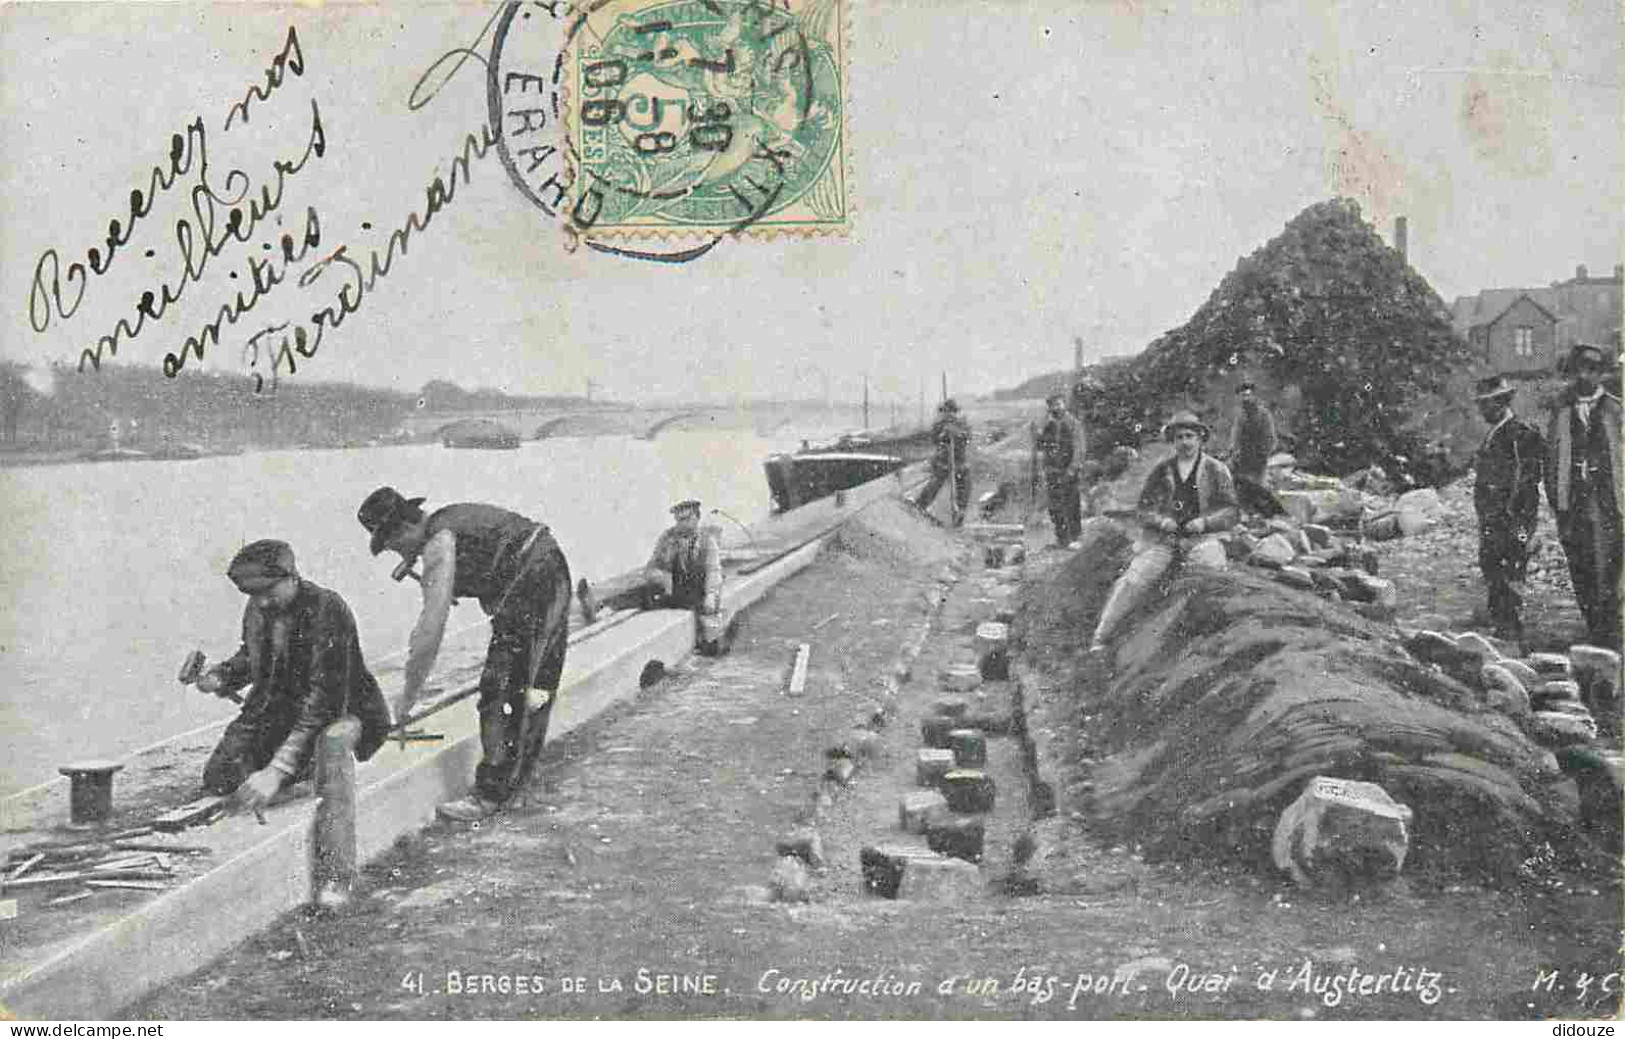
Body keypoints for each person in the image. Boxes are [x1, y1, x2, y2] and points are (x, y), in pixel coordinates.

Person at [357, 487, 573, 821]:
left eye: (394, 545)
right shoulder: (450, 522)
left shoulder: (438, 544)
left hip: (531, 583)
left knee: (500, 689)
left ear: (403, 530)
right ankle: (517, 787)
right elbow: (495, 571)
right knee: (536, 689)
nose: (399, 553)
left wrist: (409, 695)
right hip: (553, 567)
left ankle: (491, 795)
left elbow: (430, 629)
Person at [198, 540, 391, 811]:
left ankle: (306, 775)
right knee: (220, 777)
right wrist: (222, 676)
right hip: (281, 710)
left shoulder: (327, 609)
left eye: (268, 591)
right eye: (252, 594)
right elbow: (252, 657)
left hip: (339, 709)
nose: (262, 601)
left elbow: (324, 700)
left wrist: (277, 770)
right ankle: (289, 772)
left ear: (292, 577)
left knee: (300, 772)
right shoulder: (259, 607)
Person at [1088, 411, 1238, 654]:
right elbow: (1144, 510)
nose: (1185, 442)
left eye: (1190, 436)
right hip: (1165, 540)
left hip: (1202, 538)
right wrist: (1161, 521)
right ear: (1173, 441)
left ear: (1200, 438)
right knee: (1135, 579)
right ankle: (1101, 636)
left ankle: (1213, 642)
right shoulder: (1162, 470)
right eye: (1179, 437)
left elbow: (1231, 511)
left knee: (1213, 576)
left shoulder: (1216, 470)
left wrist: (1205, 523)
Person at [1544, 344, 1622, 651]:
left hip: (1607, 503)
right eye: (1581, 369)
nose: (1586, 376)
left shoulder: (1615, 409)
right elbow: (1552, 459)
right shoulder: (1562, 409)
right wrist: (1556, 499)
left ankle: (1609, 632)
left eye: (1592, 370)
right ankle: (1593, 626)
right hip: (1572, 501)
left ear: (1601, 373)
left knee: (1609, 564)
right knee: (1580, 563)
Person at [576, 499, 729, 653]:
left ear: (696, 518)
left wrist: (711, 594)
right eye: (678, 520)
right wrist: (662, 578)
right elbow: (651, 568)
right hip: (675, 589)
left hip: (698, 592)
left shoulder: (707, 541)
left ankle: (707, 644)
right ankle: (600, 609)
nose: (680, 524)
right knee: (642, 592)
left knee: (709, 633)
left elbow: (713, 571)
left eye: (685, 519)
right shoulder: (668, 538)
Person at [1471, 374, 1546, 641]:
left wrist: (1521, 525)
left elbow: (1527, 482)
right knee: (1493, 567)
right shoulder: (1496, 433)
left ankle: (1512, 632)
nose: (1481, 411)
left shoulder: (1519, 434)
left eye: (1485, 405)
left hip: (1511, 518)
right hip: (1493, 518)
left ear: (1500, 403)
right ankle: (1502, 626)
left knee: (1512, 570)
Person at [1034, 392, 1087, 547]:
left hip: (1068, 471)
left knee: (1071, 505)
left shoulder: (1073, 423)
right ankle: (1062, 539)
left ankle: (1075, 538)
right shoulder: (1048, 425)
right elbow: (1040, 446)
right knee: (1055, 507)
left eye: (1058, 404)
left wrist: (1072, 469)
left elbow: (1080, 448)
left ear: (1064, 404)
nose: (1055, 407)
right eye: (1052, 405)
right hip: (1052, 472)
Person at [1227, 380, 1281, 516]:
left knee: (1258, 486)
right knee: (1241, 485)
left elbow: (1271, 437)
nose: (1245, 399)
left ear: (1254, 397)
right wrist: (1233, 449)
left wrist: (1264, 453)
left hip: (1259, 457)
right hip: (1244, 456)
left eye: (1248, 396)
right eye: (1243, 396)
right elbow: (1235, 434)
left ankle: (1264, 513)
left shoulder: (1264, 415)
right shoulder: (1241, 416)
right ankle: (1245, 512)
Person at [913, 399, 972, 525]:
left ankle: (960, 513)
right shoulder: (940, 424)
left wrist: (957, 433)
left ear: (955, 412)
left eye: (951, 412)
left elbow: (967, 438)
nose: (949, 414)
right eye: (946, 412)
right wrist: (943, 434)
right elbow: (934, 439)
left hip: (959, 461)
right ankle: (921, 504)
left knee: (964, 484)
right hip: (943, 460)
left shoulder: (962, 423)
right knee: (937, 480)